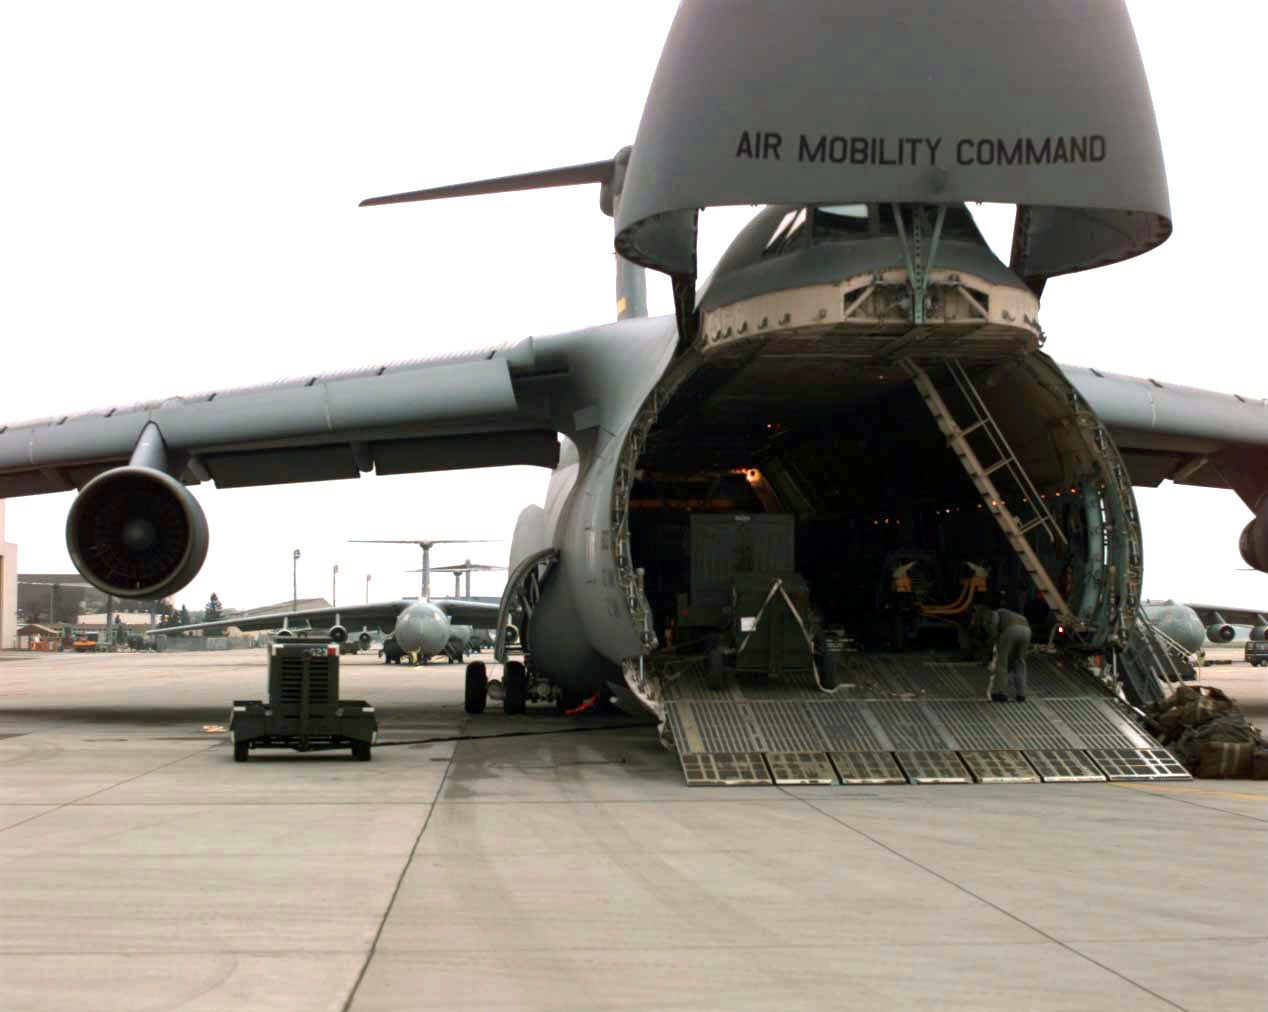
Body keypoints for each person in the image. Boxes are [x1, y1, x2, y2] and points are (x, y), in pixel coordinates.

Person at [983, 607, 1032, 702]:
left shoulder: (996, 612)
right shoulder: (1013, 614)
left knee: (1002, 661)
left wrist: (994, 638)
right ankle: (1021, 694)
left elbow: (993, 623)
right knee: (1020, 661)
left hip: (1011, 630)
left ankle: (1000, 692)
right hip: (1027, 631)